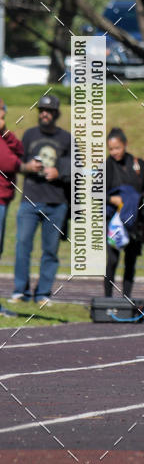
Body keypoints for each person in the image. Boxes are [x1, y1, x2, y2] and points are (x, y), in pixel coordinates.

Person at [11, 94, 71, 305]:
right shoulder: (29, 135)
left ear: (56, 114)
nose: (44, 114)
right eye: (41, 111)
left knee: (50, 251)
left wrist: (60, 172)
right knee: (23, 245)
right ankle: (20, 291)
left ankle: (43, 293)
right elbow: (16, 161)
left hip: (57, 202)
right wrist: (29, 167)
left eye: (49, 111)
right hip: (30, 199)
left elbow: (76, 166)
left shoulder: (66, 138)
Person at [103, 128, 144, 301]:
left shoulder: (138, 164)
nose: (115, 152)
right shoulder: (107, 166)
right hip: (113, 221)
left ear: (125, 145)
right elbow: (96, 192)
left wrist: (133, 198)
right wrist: (113, 199)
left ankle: (127, 299)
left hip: (134, 219)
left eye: (117, 147)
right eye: (111, 149)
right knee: (112, 260)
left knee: (130, 260)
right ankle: (108, 299)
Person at [0, 99, 23, 258]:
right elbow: (10, 163)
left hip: (3, 197)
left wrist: (5, 131)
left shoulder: (4, 135)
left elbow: (21, 150)